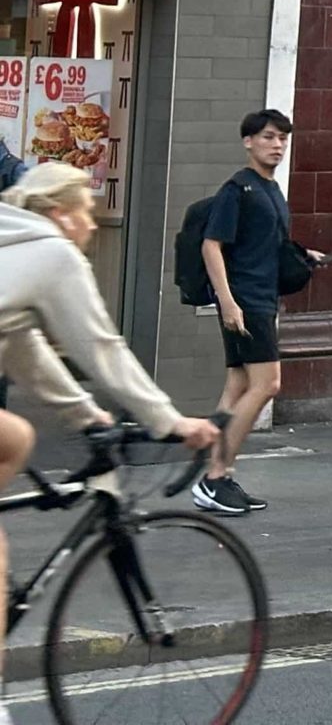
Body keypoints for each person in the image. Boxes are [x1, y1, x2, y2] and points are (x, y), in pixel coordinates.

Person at [0, 161, 219, 708]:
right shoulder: (51, 253)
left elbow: (23, 352)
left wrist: (87, 417)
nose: (93, 226)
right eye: (87, 214)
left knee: (15, 440)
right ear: (59, 215)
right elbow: (102, 349)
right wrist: (170, 421)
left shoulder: (12, 243)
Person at [198, 107, 296, 516]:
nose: (277, 146)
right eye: (270, 137)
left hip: (260, 298)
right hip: (246, 302)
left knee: (237, 386)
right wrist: (227, 301)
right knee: (267, 384)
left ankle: (211, 472)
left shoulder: (270, 189)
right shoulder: (237, 189)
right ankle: (216, 475)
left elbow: (263, 244)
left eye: (283, 139)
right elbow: (211, 245)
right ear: (248, 141)